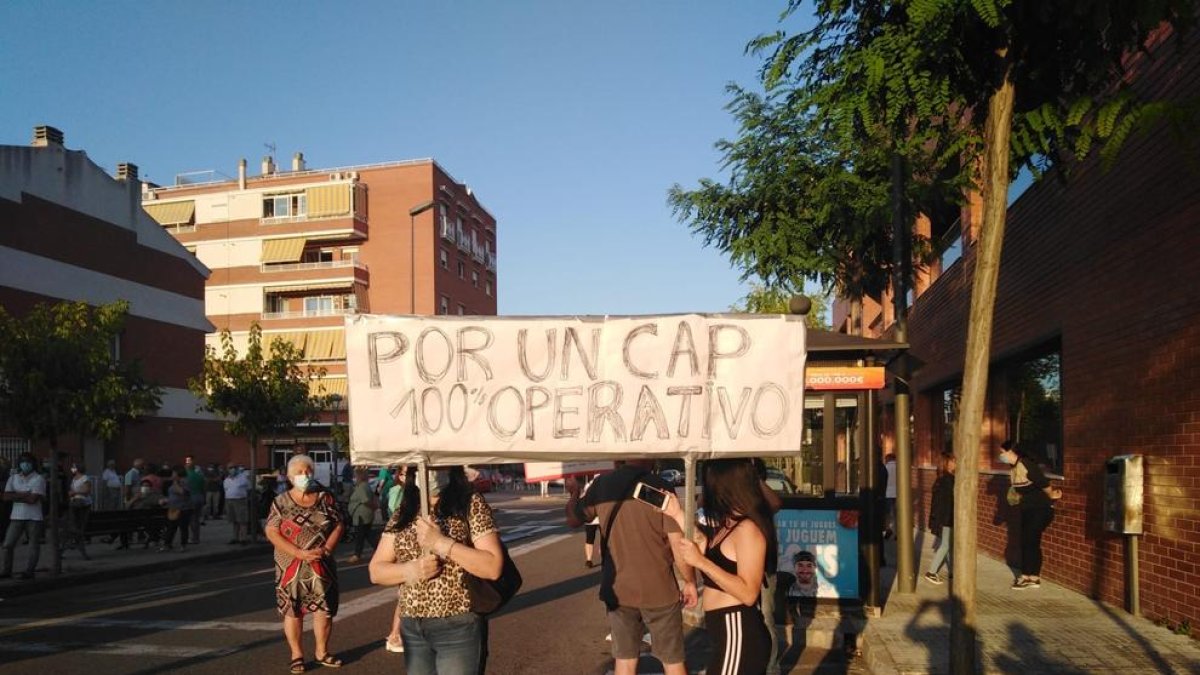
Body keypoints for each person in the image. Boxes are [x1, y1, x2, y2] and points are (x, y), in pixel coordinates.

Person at [565, 460, 697, 675]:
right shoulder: (660, 486)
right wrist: (689, 581)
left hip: (618, 591)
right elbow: (677, 542)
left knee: (624, 662)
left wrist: (574, 493)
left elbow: (573, 520)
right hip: (660, 591)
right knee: (673, 662)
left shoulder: (602, 485)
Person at [369, 466, 503, 675]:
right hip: (412, 625)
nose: (429, 471)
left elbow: (492, 566)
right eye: (423, 466)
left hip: (458, 623)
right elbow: (376, 570)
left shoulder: (470, 503)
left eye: (436, 465)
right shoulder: (404, 512)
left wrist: (442, 543)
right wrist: (410, 571)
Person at [666, 459, 774, 675]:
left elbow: (749, 593)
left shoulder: (748, 529)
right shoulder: (729, 524)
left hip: (738, 629)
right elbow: (703, 545)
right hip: (727, 633)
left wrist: (701, 562)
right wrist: (677, 514)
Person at [266, 454, 346, 673]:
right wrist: (298, 553)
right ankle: (297, 655)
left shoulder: (325, 498)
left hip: (322, 563)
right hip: (290, 565)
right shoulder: (280, 501)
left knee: (324, 609)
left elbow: (339, 524)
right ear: (290, 476)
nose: (305, 475)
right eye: (300, 472)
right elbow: (271, 531)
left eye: (308, 471)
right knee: (293, 611)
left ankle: (322, 651)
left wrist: (327, 548)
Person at [999, 441, 1062, 589]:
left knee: (1030, 541)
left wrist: (1052, 494)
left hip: (1041, 508)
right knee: (1029, 542)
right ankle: (1031, 577)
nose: (1001, 455)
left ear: (1011, 452)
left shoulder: (1025, 464)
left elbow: (1043, 482)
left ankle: (1029, 576)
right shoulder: (1013, 469)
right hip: (1027, 509)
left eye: (1003, 452)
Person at [1, 452, 47, 580]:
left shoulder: (39, 479)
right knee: (8, 544)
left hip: (34, 517)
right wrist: (24, 494)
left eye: (28, 462)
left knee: (33, 545)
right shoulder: (14, 478)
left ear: (33, 464)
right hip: (16, 516)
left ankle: (29, 571)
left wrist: (15, 495)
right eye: (23, 462)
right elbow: (5, 497)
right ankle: (6, 570)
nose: (25, 464)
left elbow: (33, 499)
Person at [924, 452, 956, 585]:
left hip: (943, 517)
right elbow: (947, 502)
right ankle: (931, 572)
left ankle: (953, 570)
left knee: (949, 544)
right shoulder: (948, 480)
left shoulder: (941, 479)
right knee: (945, 545)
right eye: (953, 461)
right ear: (947, 463)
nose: (956, 463)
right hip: (946, 517)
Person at [347, 467, 379, 564]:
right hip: (364, 515)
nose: (354, 478)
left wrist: (373, 506)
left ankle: (357, 555)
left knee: (361, 535)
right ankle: (378, 550)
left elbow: (365, 500)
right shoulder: (364, 486)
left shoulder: (362, 487)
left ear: (359, 476)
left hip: (361, 516)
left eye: (355, 476)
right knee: (367, 534)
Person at [63, 463, 92, 560]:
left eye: (74, 467)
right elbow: (71, 490)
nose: (72, 469)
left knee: (74, 520)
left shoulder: (85, 478)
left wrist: (75, 492)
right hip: (74, 500)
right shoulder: (73, 479)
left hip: (82, 502)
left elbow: (86, 491)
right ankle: (74, 533)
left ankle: (74, 534)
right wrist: (71, 493)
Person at [160, 466, 192, 552]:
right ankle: (167, 544)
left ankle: (183, 545)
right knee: (171, 527)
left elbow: (183, 492)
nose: (172, 475)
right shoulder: (173, 482)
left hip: (183, 508)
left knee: (183, 527)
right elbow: (172, 495)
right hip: (173, 508)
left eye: (174, 473)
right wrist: (166, 500)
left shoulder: (184, 482)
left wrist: (176, 484)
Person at [223, 465, 252, 545]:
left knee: (242, 520)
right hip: (229, 500)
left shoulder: (242, 478)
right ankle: (235, 537)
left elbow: (249, 488)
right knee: (234, 520)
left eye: (233, 468)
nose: (231, 470)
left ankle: (243, 538)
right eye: (230, 468)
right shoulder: (226, 480)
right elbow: (225, 490)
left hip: (240, 500)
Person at [577, 474, 601, 569]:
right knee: (604, 538)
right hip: (601, 515)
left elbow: (583, 498)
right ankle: (604, 559)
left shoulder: (588, 485)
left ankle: (589, 559)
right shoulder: (605, 485)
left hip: (590, 517)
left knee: (589, 539)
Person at [184, 455, 207, 543]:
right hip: (199, 497)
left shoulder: (186, 476)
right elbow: (203, 488)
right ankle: (196, 537)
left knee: (191, 519)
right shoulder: (199, 476)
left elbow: (185, 489)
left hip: (191, 498)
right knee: (196, 519)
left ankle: (193, 538)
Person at [883, 453, 897, 539]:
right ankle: (896, 532)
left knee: (888, 514)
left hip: (888, 493)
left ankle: (889, 529)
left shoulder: (886, 468)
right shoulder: (899, 467)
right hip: (897, 493)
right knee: (896, 514)